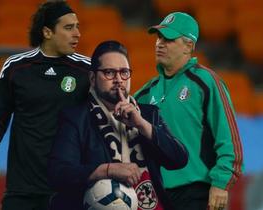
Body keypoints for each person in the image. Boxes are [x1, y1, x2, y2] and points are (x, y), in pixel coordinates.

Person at [0, 1, 91, 210]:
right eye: (69, 28)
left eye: (77, 26)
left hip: (69, 191)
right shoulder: (16, 67)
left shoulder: (87, 71)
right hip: (22, 191)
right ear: (47, 32)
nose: (77, 33)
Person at [48, 40, 188, 210]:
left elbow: (179, 159)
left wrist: (142, 125)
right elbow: (59, 174)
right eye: (109, 73)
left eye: (124, 72)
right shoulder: (76, 118)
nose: (118, 80)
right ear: (92, 78)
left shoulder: (149, 114)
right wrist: (107, 170)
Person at [134, 12, 244, 210]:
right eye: (159, 37)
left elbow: (229, 140)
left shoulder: (206, 82)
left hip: (198, 193)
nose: (160, 43)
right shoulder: (144, 93)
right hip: (157, 195)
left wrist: (221, 184)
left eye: (169, 39)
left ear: (189, 46)